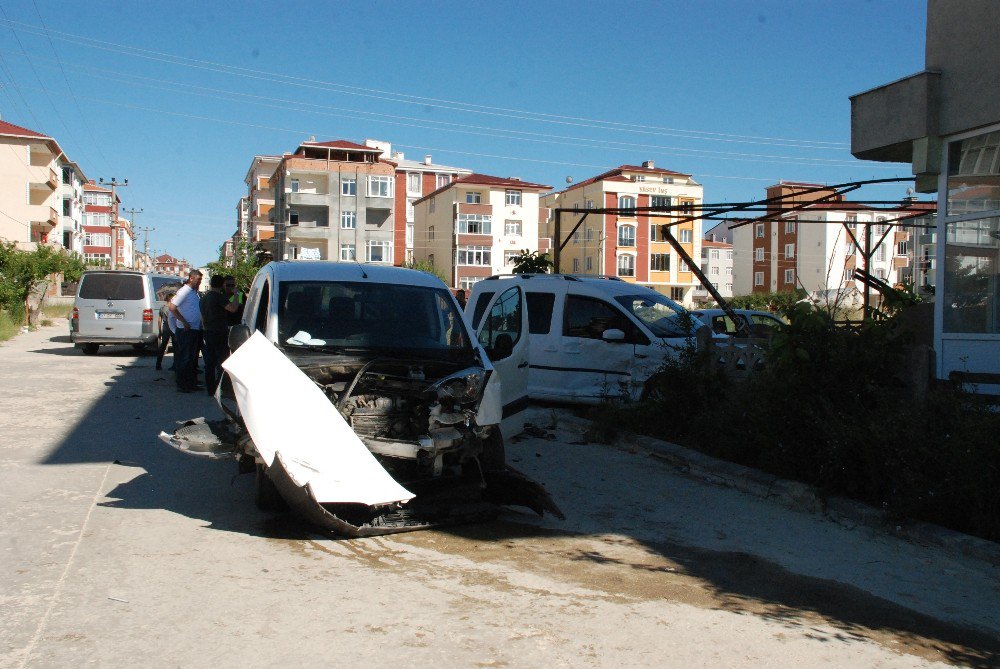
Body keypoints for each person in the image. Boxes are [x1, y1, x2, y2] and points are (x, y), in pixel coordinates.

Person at [200, 274, 242, 395]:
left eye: (232, 285)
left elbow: (202, 317)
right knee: (221, 361)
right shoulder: (219, 297)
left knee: (210, 362)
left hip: (209, 331)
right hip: (219, 331)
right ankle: (222, 387)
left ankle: (211, 388)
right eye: (228, 285)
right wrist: (236, 294)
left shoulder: (204, 298)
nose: (229, 287)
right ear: (222, 285)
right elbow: (234, 309)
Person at [168, 269, 203, 393]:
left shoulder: (194, 292)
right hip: (185, 330)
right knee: (185, 358)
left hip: (194, 329)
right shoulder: (184, 291)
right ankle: (182, 384)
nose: (199, 282)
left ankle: (191, 382)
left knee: (192, 358)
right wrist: (183, 321)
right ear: (191, 278)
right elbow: (172, 307)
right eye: (198, 279)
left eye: (201, 280)